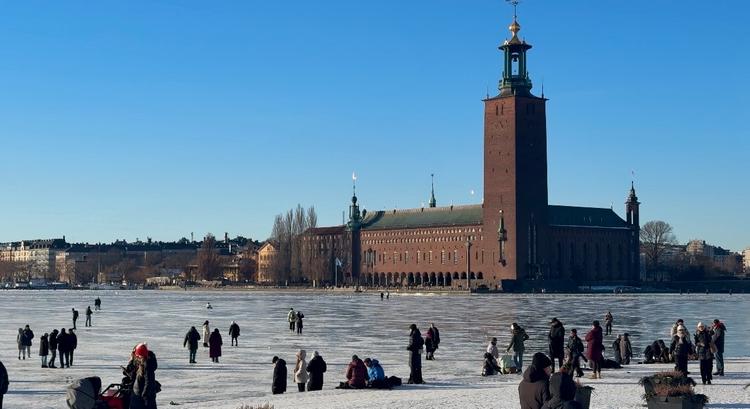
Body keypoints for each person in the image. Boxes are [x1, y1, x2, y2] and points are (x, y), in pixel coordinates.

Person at [129, 343, 158, 409]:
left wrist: (145, 395)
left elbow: (149, 381)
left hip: (143, 397)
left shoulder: (147, 365)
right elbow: (131, 371)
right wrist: (131, 360)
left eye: (139, 356)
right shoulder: (141, 363)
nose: (137, 357)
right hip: (137, 395)